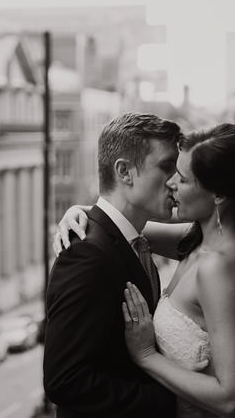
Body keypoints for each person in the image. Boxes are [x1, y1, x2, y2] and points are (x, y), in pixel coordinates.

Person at [55, 123, 235, 418]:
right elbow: (119, 228)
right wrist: (78, 213)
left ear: (218, 193)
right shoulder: (196, 242)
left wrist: (146, 357)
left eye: (182, 178)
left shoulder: (221, 265)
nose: (171, 184)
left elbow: (232, 400)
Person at [43, 112, 183, 417]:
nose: (176, 181)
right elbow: (64, 380)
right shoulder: (87, 255)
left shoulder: (133, 241)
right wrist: (172, 405)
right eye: (166, 167)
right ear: (125, 172)